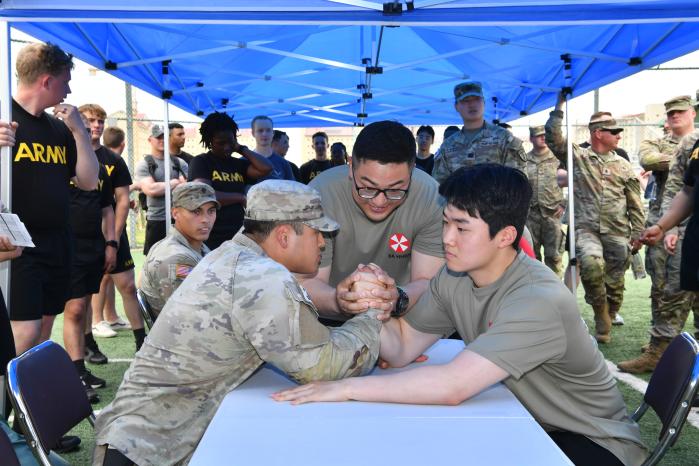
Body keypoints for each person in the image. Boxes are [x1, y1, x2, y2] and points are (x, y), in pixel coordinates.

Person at [273, 164, 648, 466]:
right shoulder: (456, 276)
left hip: (591, 442)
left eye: (462, 227)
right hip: (528, 422)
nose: (447, 238)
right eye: (446, 222)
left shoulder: (538, 298)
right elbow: (402, 347)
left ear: (505, 236)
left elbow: (453, 386)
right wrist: (373, 304)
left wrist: (344, 388)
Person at [93, 180, 383, 466]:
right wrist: (372, 315)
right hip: (148, 453)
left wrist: (342, 305)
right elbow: (325, 366)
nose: (322, 242)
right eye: (317, 232)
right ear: (284, 236)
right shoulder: (260, 276)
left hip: (149, 438)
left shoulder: (233, 257)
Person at [0, 41, 99, 455]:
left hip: (58, 242)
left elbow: (89, 181)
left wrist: (79, 131)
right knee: (20, 337)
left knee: (39, 337)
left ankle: (31, 423)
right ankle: (8, 430)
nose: (69, 89)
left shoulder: (60, 127)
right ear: (47, 79)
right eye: (66, 80)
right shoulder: (4, 116)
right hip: (17, 246)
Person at [302, 120, 444, 323]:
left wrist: (397, 299)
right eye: (367, 188)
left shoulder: (431, 197)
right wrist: (339, 300)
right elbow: (309, 283)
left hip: (400, 316)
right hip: (330, 315)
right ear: (350, 167)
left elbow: (427, 281)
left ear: (412, 170)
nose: (379, 201)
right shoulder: (319, 196)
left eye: (395, 190)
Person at [546, 93, 645, 344]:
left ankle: (610, 313)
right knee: (589, 264)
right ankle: (601, 314)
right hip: (586, 229)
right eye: (614, 132)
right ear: (598, 133)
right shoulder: (578, 157)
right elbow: (553, 138)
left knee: (615, 284)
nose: (619, 136)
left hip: (617, 231)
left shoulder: (623, 165)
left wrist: (637, 233)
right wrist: (559, 106)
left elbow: (634, 203)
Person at [619, 96, 698, 373]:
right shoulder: (692, 144)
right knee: (671, 288)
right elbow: (682, 189)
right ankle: (660, 350)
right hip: (689, 231)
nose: (675, 116)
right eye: (671, 113)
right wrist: (667, 226)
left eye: (681, 112)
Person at [79, 104, 146, 355]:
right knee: (83, 295)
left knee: (127, 286)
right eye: (91, 120)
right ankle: (88, 342)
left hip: (112, 234)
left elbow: (121, 201)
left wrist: (114, 238)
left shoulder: (113, 160)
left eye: (100, 121)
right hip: (81, 236)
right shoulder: (69, 154)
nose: (96, 125)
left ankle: (142, 341)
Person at [64, 115, 115, 402]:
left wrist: (111, 243)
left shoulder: (98, 169)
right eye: (85, 123)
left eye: (96, 122)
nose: (91, 128)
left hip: (94, 247)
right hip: (68, 246)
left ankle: (80, 368)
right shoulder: (62, 162)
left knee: (82, 309)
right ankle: (74, 377)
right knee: (73, 310)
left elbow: (107, 208)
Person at [188, 112, 272, 249]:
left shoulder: (238, 164)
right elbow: (204, 194)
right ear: (210, 141)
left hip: (238, 235)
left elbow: (266, 168)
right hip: (211, 237)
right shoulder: (201, 162)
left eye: (230, 142)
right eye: (221, 143)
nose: (227, 147)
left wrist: (241, 148)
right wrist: (239, 197)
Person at [140, 182, 217, 315]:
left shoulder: (197, 246)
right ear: (175, 213)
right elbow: (192, 313)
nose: (206, 219)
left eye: (211, 211)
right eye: (196, 211)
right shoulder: (174, 258)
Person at [432, 81, 526, 184]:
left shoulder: (503, 138)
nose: (472, 104)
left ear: (484, 102)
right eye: (465, 100)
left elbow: (519, 182)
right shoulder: (447, 146)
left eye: (476, 99)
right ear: (456, 106)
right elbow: (439, 187)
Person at [135, 125, 188, 254]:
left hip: (179, 220)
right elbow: (151, 190)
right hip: (157, 221)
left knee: (181, 260)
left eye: (164, 137)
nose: (162, 140)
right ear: (150, 140)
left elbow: (186, 188)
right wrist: (174, 182)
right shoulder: (144, 164)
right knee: (154, 261)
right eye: (158, 137)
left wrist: (163, 186)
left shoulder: (179, 163)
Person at [525, 125, 565, 276]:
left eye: (545, 135)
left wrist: (564, 203)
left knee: (553, 256)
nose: (543, 138)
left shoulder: (558, 159)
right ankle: (535, 290)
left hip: (552, 214)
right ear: (531, 138)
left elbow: (574, 180)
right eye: (539, 135)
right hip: (530, 215)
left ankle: (554, 291)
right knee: (532, 256)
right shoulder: (525, 160)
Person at [250, 115, 295, 181]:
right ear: (253, 133)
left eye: (268, 130)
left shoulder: (283, 163)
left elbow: (292, 189)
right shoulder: (244, 161)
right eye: (260, 130)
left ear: (272, 133)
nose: (264, 134)